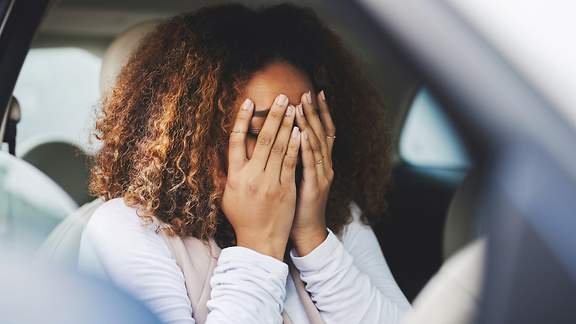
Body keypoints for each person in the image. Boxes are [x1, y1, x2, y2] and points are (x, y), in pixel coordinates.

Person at [79, 3, 410, 324]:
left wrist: (313, 239)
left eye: (306, 128)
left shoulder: (337, 214)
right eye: (263, 131)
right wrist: (258, 245)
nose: (292, 149)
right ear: (197, 138)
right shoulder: (128, 230)